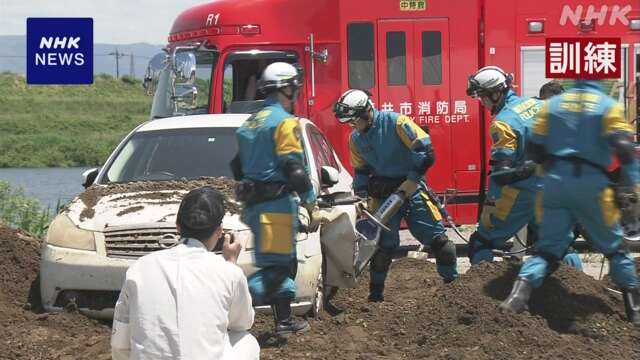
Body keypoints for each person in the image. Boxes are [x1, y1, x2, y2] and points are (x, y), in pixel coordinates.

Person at [500, 80, 640, 326]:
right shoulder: (608, 106)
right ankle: (635, 310)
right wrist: (630, 188)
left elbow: (535, 148)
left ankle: (517, 296)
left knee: (546, 249)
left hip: (554, 185)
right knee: (615, 249)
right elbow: (624, 149)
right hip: (592, 186)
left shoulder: (551, 106)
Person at [333, 88, 458, 303]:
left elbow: (425, 151)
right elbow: (361, 171)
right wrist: (361, 198)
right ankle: (375, 298)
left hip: (413, 189)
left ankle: (455, 290)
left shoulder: (397, 123)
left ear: (366, 113)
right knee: (382, 249)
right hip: (384, 196)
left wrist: (412, 179)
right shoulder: (356, 139)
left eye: (354, 121)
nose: (352, 126)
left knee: (440, 243)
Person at [111, 186, 260, 359]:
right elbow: (242, 322)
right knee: (245, 340)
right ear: (219, 231)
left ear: (178, 227)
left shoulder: (139, 268)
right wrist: (232, 263)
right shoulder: (228, 272)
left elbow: (119, 343)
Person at [231, 62, 320, 337]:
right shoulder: (283, 121)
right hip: (276, 207)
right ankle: (222, 301)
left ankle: (284, 321)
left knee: (280, 263)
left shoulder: (252, 121)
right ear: (287, 87)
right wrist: (310, 199)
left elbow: (237, 165)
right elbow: (293, 168)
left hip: (257, 206)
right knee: (277, 270)